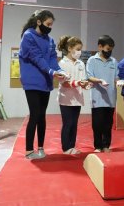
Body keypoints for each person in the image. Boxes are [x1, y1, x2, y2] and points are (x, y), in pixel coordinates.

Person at [19, 10, 69, 160]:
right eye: (48, 24)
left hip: (45, 82)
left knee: (42, 116)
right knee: (34, 114)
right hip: (32, 82)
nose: (50, 27)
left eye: (51, 25)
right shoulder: (28, 36)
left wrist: (60, 70)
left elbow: (52, 58)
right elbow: (37, 57)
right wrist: (51, 71)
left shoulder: (50, 40)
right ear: (39, 22)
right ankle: (29, 150)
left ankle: (40, 147)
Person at [57, 36, 89, 154]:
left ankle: (72, 146)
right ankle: (66, 148)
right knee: (68, 123)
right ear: (70, 48)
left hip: (78, 98)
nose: (80, 52)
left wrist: (85, 84)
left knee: (74, 124)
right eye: (78, 49)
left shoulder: (81, 63)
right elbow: (64, 83)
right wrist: (78, 83)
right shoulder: (62, 63)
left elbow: (83, 79)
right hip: (66, 99)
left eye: (80, 49)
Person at [86, 35, 117, 153]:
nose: (109, 52)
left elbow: (116, 78)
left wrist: (122, 82)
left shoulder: (114, 61)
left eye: (111, 49)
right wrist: (99, 81)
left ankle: (106, 145)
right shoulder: (92, 60)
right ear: (100, 47)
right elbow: (89, 76)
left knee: (108, 124)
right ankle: (98, 146)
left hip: (110, 98)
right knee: (97, 124)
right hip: (97, 97)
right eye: (108, 49)